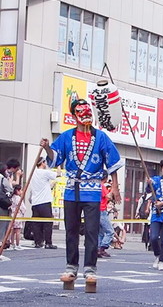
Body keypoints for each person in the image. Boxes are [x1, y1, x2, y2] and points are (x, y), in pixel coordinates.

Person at [40, 98, 124, 285]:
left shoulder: (101, 137)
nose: (86, 114)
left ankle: (90, 269)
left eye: (88, 111)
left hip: (93, 190)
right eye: (81, 112)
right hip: (71, 189)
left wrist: (115, 188)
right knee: (71, 230)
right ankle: (71, 267)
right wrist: (46, 147)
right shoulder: (66, 136)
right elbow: (55, 159)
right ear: (74, 116)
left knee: (92, 231)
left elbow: (112, 162)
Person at [28, 157, 60, 249]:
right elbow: (58, 174)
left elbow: (40, 187)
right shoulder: (44, 172)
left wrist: (50, 186)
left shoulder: (33, 173)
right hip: (44, 202)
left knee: (37, 223)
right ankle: (48, 242)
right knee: (48, 222)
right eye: (45, 162)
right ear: (42, 163)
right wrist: (58, 164)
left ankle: (38, 242)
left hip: (35, 202)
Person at [98, 176, 115, 258]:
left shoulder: (97, 185)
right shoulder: (102, 186)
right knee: (110, 231)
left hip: (96, 210)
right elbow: (109, 197)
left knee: (100, 232)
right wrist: (113, 188)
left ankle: (98, 249)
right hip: (102, 210)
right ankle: (102, 247)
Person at [9, 185, 25, 250]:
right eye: (21, 190)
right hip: (18, 215)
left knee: (12, 231)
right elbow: (23, 208)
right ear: (17, 191)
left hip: (12, 215)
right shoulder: (18, 198)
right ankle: (18, 244)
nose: (21, 191)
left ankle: (12, 244)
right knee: (18, 231)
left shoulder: (12, 198)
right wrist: (23, 212)